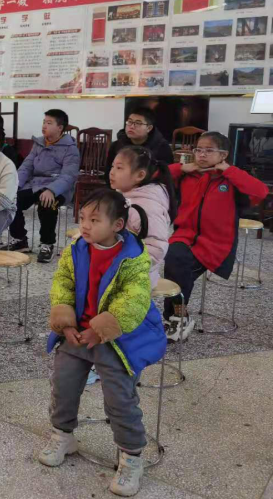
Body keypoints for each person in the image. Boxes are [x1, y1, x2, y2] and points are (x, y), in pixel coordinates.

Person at [41, 188, 166, 498]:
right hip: (78, 331)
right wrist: (66, 321)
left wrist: (102, 330)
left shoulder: (133, 257)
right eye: (83, 218)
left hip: (117, 338)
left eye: (94, 220)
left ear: (117, 225)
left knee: (119, 398)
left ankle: (131, 456)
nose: (85, 225)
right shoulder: (76, 249)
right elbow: (63, 283)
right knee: (63, 384)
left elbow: (134, 300)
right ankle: (63, 435)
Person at [163, 132, 268, 341]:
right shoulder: (188, 175)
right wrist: (181, 168)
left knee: (178, 268)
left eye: (209, 150)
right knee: (175, 260)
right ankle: (178, 316)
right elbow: (152, 175)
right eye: (198, 150)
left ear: (223, 155)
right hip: (184, 236)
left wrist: (229, 170)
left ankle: (176, 317)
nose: (202, 155)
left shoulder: (231, 178)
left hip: (216, 243)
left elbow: (261, 191)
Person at [8, 109, 80, 263]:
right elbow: (26, 166)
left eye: (49, 123)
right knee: (12, 199)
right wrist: (14, 185)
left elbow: (69, 175)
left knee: (47, 202)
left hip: (58, 187)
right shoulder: (39, 143)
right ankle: (20, 240)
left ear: (60, 128)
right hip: (35, 184)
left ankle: (47, 244)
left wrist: (52, 190)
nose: (44, 126)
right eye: (44, 122)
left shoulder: (70, 148)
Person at [109, 145, 177, 288]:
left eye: (119, 168)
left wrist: (127, 266)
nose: (112, 172)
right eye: (112, 166)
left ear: (140, 175)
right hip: (120, 267)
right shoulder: (125, 196)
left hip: (136, 279)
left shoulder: (146, 207)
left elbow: (156, 249)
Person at [104, 107, 174, 182]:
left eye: (138, 123)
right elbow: (108, 173)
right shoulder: (117, 145)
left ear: (149, 128)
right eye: (129, 122)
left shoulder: (162, 147)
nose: (131, 126)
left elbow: (166, 176)